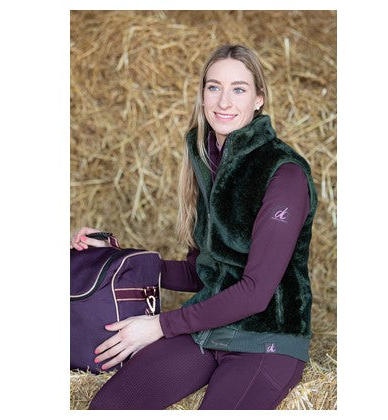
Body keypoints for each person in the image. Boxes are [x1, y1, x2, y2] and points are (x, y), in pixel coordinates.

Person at [70, 44, 318, 410]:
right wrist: (114, 259)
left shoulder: (285, 174)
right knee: (108, 408)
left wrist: (160, 325)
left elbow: (255, 293)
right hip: (208, 331)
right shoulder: (208, 163)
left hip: (266, 339)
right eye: (214, 87)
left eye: (238, 89)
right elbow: (201, 273)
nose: (224, 101)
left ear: (259, 99)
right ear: (202, 95)